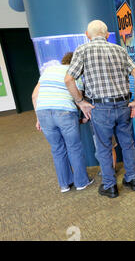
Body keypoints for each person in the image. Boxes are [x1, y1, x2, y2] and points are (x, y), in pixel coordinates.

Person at [65, 20, 135, 199]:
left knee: (104, 147)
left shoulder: (82, 50)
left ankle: (110, 186)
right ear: (107, 35)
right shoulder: (120, 49)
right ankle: (133, 179)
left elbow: (69, 79)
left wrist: (80, 102)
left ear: (87, 34)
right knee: (127, 143)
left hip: (100, 107)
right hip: (124, 104)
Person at [32, 52, 94, 193]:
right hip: (64, 112)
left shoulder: (48, 71)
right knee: (74, 148)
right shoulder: (74, 74)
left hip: (43, 112)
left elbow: (34, 95)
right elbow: (78, 98)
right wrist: (84, 116)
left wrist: (38, 118)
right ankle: (81, 182)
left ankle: (65, 184)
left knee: (57, 149)